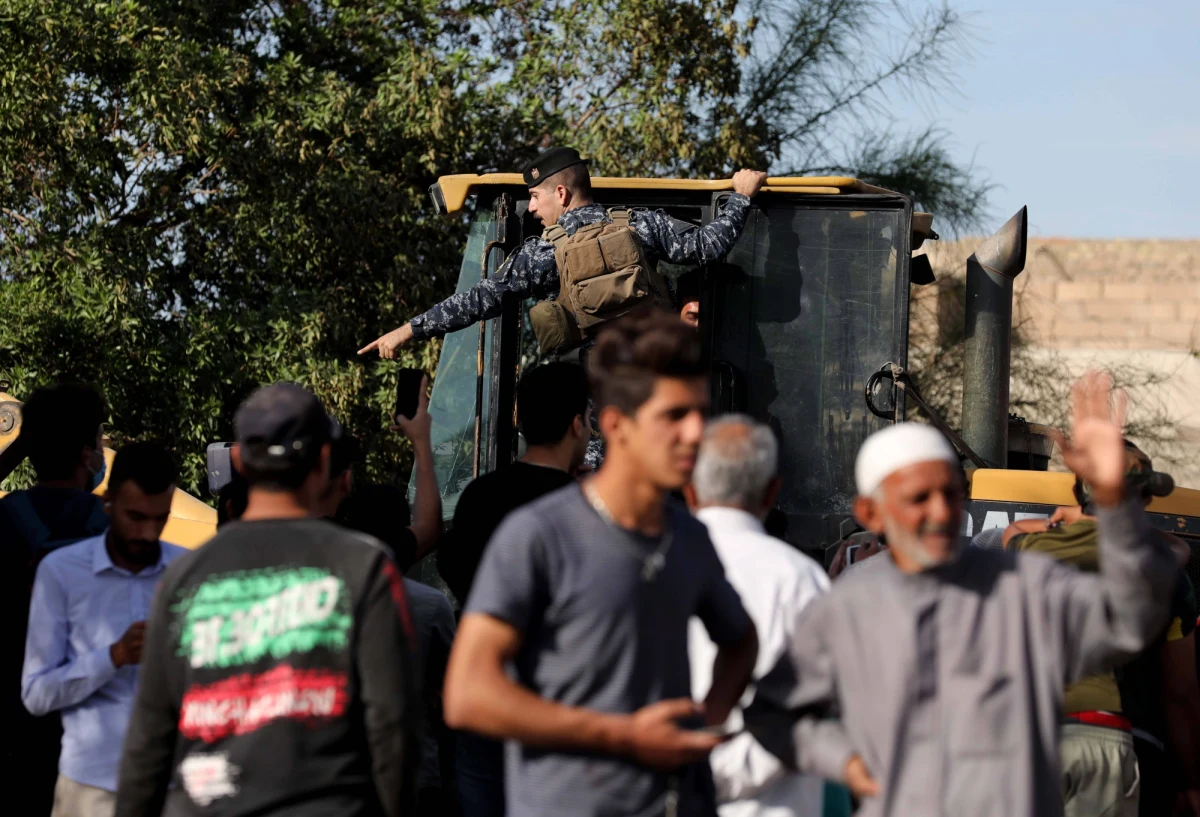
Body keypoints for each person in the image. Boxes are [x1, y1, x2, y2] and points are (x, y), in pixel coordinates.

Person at [743, 372, 1179, 817]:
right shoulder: (846, 606)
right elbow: (773, 712)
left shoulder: (1023, 584)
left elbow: (1129, 621)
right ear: (871, 512)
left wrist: (1115, 505)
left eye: (951, 494)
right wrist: (847, 763)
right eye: (919, 498)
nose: (940, 512)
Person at [443, 308, 759, 817]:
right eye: (674, 416)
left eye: (701, 412)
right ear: (614, 425)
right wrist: (625, 737)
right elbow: (468, 694)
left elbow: (741, 640)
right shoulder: (539, 536)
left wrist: (707, 722)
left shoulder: (690, 537)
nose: (696, 432)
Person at [115, 383, 423, 817]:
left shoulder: (183, 578)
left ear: (240, 462)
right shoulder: (364, 567)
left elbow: (148, 742)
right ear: (323, 460)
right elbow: (393, 726)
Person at [359, 148, 768, 359]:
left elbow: (478, 300)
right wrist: (741, 198)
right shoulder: (641, 224)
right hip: (655, 380)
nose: (532, 208)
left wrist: (407, 331)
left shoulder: (543, 252)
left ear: (561, 193)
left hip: (599, 403)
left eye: (535, 197)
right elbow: (708, 246)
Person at [1006, 442, 1200, 817]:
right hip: (1123, 744)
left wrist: (1076, 518)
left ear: (1080, 491)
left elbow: (1012, 530)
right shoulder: (1163, 574)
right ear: (1143, 500)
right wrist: (1192, 783)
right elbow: (1180, 695)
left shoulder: (1028, 555)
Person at [434, 360, 590, 817]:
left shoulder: (479, 495)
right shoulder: (586, 508)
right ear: (577, 424)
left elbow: (454, 566)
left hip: (486, 697)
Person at [21, 442, 184, 817]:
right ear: (107, 502)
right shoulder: (61, 573)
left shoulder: (188, 570)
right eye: (136, 517)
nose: (148, 533)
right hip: (90, 790)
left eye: (160, 519)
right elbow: (36, 694)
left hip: (174, 788)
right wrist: (113, 657)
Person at [684, 415, 830, 817]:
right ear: (772, 492)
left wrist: (688, 772)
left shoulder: (651, 566)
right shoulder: (802, 579)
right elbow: (810, 713)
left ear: (689, 490)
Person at [0, 382, 109, 813]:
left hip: (12, 729)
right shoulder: (113, 530)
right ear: (85, 454)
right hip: (86, 735)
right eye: (99, 438)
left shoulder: (5, 519)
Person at [338, 484, 458, 817]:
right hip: (416, 774)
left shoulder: (318, 600)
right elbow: (450, 694)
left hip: (342, 775)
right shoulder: (430, 604)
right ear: (403, 533)